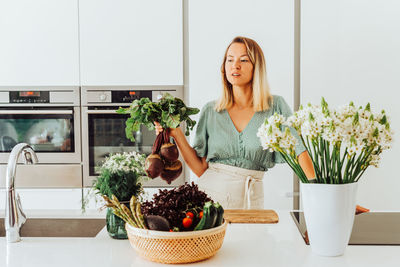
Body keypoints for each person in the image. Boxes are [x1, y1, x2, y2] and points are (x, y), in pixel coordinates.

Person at [155, 36, 315, 209]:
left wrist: (317, 200)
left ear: (257, 67)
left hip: (251, 201)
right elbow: (201, 168)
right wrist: (176, 134)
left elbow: (300, 152)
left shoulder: (275, 106)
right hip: (209, 202)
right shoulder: (211, 110)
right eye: (230, 60)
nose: (235, 65)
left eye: (244, 60)